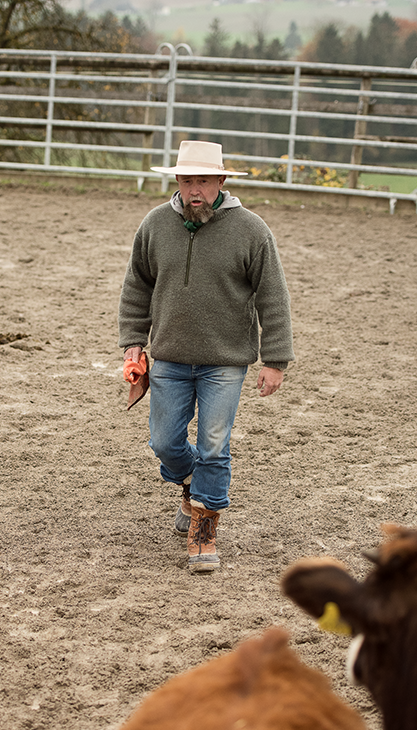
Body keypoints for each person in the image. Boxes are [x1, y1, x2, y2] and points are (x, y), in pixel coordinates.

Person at [117, 140, 295, 574]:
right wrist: (133, 341)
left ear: (221, 181)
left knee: (215, 445)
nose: (193, 189)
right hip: (170, 358)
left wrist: (275, 360)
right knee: (164, 442)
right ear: (177, 181)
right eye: (186, 180)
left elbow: (273, 296)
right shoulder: (155, 224)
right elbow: (137, 286)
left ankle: (204, 529)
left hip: (226, 361)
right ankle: (193, 484)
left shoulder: (252, 230)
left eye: (202, 180)